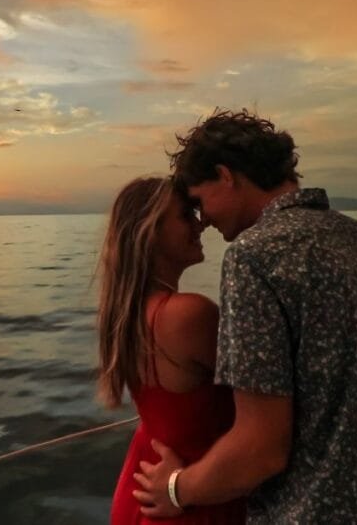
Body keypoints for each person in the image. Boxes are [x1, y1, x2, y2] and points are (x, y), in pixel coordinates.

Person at [133, 109, 357, 523]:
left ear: (226, 175)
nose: (204, 220)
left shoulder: (253, 257)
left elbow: (261, 451)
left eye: (200, 202)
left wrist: (175, 488)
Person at [97, 176, 247, 524]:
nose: (200, 225)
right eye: (185, 216)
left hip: (143, 489)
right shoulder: (187, 315)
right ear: (151, 234)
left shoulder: (127, 315)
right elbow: (271, 395)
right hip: (188, 498)